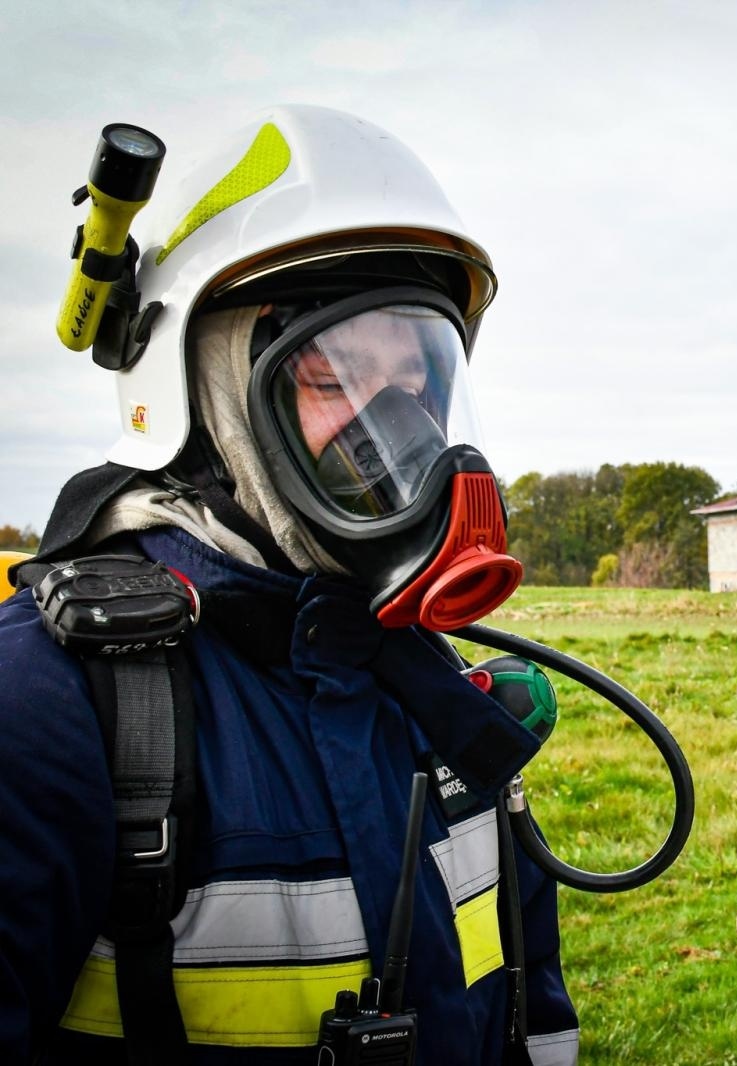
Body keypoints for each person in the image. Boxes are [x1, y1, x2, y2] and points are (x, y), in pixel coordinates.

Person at [0, 105, 579, 1064]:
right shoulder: (50, 709)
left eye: (415, 379)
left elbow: (534, 1014)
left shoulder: (428, 687)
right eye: (331, 376)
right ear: (209, 397)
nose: (395, 429)